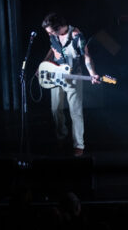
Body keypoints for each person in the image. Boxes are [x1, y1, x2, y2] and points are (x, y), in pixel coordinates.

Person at [41, 12, 100, 156]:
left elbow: (86, 56)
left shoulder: (77, 36)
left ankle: (78, 144)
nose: (49, 34)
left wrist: (92, 73)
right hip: (56, 75)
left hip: (73, 76)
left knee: (75, 112)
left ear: (59, 27)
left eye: (51, 32)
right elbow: (52, 48)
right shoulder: (53, 35)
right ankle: (61, 136)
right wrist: (43, 64)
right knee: (55, 109)